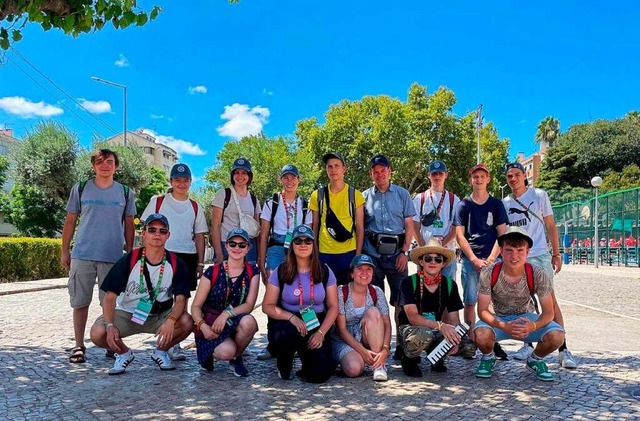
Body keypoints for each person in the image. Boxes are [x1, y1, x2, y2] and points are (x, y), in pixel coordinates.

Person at [89, 214, 194, 375]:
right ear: (144, 234)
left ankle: (161, 351)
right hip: (128, 314)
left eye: (162, 230)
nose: (157, 234)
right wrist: (110, 325)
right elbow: (109, 298)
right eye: (152, 230)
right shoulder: (128, 260)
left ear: (168, 235)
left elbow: (180, 299)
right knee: (98, 332)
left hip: (160, 315)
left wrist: (171, 320)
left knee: (187, 321)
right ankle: (124, 353)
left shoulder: (176, 263)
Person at [61, 149, 136, 364]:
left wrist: (130, 255)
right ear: (93, 165)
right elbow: (70, 220)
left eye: (110, 162)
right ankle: (78, 345)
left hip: (112, 257)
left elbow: (129, 224)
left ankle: (110, 343)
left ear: (116, 166)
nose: (105, 165)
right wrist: (65, 251)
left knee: (109, 304)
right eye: (100, 162)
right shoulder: (81, 188)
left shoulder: (125, 192)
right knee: (80, 302)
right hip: (83, 254)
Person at [502, 162, 577, 368]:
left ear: (524, 175)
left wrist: (556, 252)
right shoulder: (505, 203)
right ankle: (528, 344)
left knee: (550, 301)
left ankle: (563, 349)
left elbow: (550, 225)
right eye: (509, 176)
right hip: (518, 258)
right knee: (521, 302)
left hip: (539, 254)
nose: (513, 179)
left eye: (517, 174)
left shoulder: (539, 195)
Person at [474, 227, 565, 382]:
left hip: (526, 319)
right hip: (499, 318)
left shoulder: (538, 274)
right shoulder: (489, 272)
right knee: (480, 334)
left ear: (527, 252)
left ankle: (535, 359)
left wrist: (533, 326)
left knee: (557, 336)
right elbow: (482, 310)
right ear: (501, 251)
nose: (514, 256)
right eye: (509, 250)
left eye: (519, 250)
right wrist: (503, 325)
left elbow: (549, 312)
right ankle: (489, 357)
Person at [140, 163, 208, 361]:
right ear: (171, 182)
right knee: (161, 297)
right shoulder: (158, 202)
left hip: (186, 255)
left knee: (182, 298)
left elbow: (199, 235)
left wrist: (201, 263)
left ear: (190, 182)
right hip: (161, 254)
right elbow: (146, 229)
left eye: (185, 180)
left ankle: (175, 341)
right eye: (177, 180)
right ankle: (161, 335)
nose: (181, 183)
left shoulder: (195, 206)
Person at [262, 225, 339, 383]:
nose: (303, 244)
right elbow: (267, 306)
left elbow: (333, 307)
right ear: (292, 246)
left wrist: (321, 333)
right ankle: (284, 361)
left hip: (315, 320)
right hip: (287, 320)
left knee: (320, 374)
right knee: (286, 336)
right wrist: (291, 317)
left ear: (313, 245)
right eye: (298, 241)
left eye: (307, 241)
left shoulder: (324, 271)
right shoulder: (280, 270)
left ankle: (307, 358)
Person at [256, 164, 312, 361]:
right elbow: (263, 235)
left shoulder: (305, 205)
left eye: (293, 177)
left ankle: (299, 339)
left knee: (299, 294)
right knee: (274, 297)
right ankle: (273, 344)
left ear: (299, 179)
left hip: (298, 249)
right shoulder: (272, 202)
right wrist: (261, 262)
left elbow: (310, 236)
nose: (290, 181)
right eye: (286, 177)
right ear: (280, 179)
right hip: (276, 249)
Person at [362, 154, 414, 360]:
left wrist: (404, 252)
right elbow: (361, 227)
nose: (379, 174)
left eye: (383, 170)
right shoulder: (364, 196)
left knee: (402, 304)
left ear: (390, 171)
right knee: (374, 303)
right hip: (372, 255)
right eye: (375, 171)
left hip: (396, 256)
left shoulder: (402, 194)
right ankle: (377, 345)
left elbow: (409, 225)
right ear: (371, 174)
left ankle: (402, 345)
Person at [453, 163, 508, 358]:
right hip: (470, 260)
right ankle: (470, 340)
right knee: (469, 301)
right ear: (471, 180)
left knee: (492, 303)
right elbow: (460, 236)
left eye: (482, 176)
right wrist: (475, 260)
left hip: (493, 260)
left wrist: (491, 259)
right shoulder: (463, 205)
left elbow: (502, 234)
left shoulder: (496, 204)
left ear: (488, 179)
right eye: (475, 176)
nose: (478, 179)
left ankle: (492, 341)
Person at [191, 228, 260, 376]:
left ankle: (236, 358)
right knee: (225, 352)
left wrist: (226, 314)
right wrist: (203, 327)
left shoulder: (252, 272)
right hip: (211, 322)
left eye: (242, 245)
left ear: (248, 248)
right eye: (233, 244)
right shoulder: (213, 272)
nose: (237, 248)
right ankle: (210, 354)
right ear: (226, 246)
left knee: (249, 323)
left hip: (234, 319)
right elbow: (195, 306)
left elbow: (249, 305)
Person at [397, 238, 470, 377]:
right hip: (411, 329)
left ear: (443, 264)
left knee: (469, 347)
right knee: (422, 335)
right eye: (428, 258)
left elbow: (455, 318)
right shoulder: (408, 282)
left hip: (436, 329)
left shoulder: (449, 285)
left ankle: (437, 356)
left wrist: (456, 337)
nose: (432, 262)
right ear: (421, 261)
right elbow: (412, 317)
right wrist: (441, 326)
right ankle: (409, 360)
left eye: (438, 259)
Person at [332, 254, 391, 382]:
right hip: (344, 339)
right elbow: (341, 329)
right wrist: (363, 351)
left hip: (365, 336)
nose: (364, 272)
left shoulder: (376, 292)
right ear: (352, 273)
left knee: (374, 312)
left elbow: (387, 323)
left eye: (368, 269)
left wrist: (385, 349)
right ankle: (357, 357)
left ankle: (379, 366)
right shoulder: (341, 292)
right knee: (354, 370)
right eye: (360, 269)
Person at [310, 152, 365, 285]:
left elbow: (360, 227)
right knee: (325, 294)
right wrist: (315, 253)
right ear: (326, 170)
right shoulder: (317, 195)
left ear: (344, 168)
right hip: (325, 252)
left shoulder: (355, 195)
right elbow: (314, 227)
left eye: (337, 166)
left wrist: (357, 255)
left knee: (347, 293)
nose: (333, 170)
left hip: (348, 253)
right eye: (330, 167)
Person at [412, 160, 461, 281]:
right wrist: (424, 247)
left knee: (448, 292)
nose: (437, 176)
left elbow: (456, 227)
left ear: (446, 175)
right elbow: (414, 226)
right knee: (423, 291)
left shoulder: (454, 200)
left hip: (447, 255)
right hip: (425, 255)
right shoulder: (420, 198)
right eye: (434, 174)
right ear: (429, 176)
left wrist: (441, 245)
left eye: (440, 173)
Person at [211, 157, 261, 265]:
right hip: (227, 245)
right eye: (237, 173)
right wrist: (219, 254)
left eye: (244, 173)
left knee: (249, 281)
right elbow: (215, 226)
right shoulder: (223, 194)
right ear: (232, 175)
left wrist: (260, 256)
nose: (240, 176)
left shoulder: (253, 199)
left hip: (249, 247)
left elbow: (257, 229)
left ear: (249, 176)